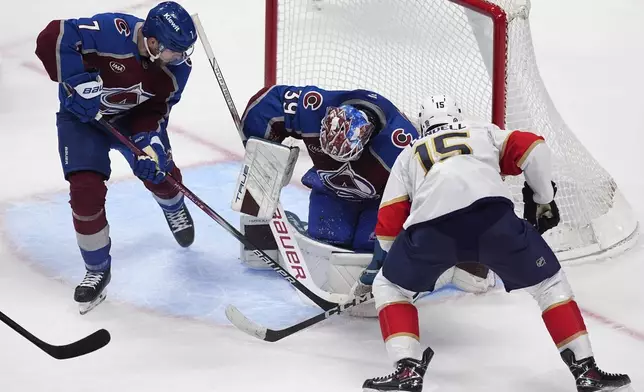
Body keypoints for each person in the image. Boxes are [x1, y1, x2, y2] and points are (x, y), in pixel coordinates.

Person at [362, 95, 631, 392]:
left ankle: (407, 371)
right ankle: (586, 371)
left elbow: (388, 221)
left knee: (389, 287)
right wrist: (544, 199)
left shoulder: (410, 152)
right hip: (493, 223)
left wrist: (389, 264)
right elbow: (534, 148)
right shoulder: (482, 131)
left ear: (423, 124)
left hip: (431, 233)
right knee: (550, 284)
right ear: (458, 115)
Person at [34, 1, 197, 314]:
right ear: (152, 42)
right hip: (82, 121)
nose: (180, 59)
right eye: (175, 51)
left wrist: (150, 144)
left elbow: (156, 110)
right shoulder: (111, 32)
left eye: (184, 52)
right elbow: (53, 36)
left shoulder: (178, 70)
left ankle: (172, 204)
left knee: (161, 173)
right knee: (84, 191)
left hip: (131, 120)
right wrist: (76, 82)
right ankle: (97, 268)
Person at [240, 85, 418, 286]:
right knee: (326, 245)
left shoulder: (402, 143)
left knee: (364, 252)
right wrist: (262, 154)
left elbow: (425, 192)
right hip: (331, 191)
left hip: (380, 202)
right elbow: (267, 105)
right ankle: (288, 227)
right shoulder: (313, 106)